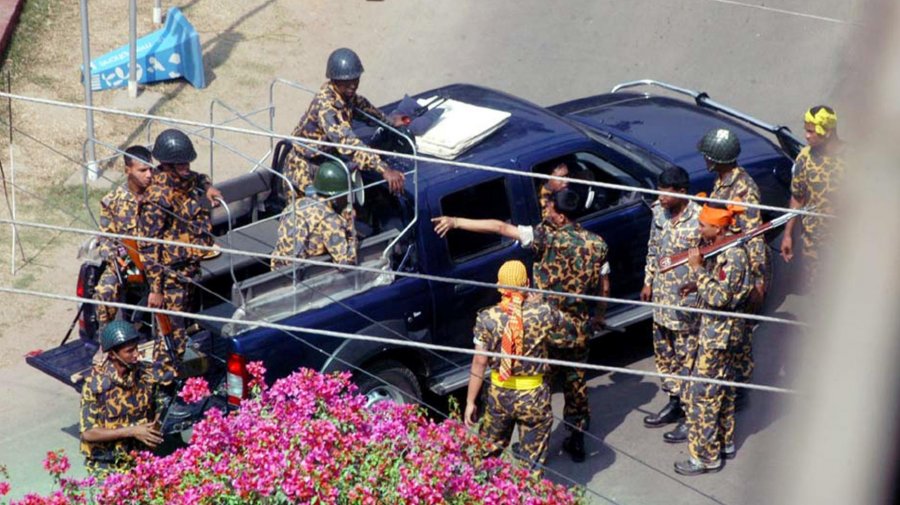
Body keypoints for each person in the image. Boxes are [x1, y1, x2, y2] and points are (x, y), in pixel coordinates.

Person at [433, 187, 608, 462]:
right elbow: (603, 282)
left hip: (542, 323)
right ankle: (577, 438)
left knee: (541, 382)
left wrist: (456, 222)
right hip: (576, 328)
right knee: (576, 383)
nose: (546, 212)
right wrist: (599, 313)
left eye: (551, 209)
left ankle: (535, 443)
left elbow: (500, 227)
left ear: (562, 217)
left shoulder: (544, 237)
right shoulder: (598, 244)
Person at [674, 202, 753, 475]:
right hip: (721, 335)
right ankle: (724, 442)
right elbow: (721, 287)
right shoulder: (724, 250)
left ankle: (705, 457)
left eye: (702, 225)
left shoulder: (733, 256)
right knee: (723, 390)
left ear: (718, 228)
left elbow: (720, 297)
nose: (698, 230)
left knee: (704, 396)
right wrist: (698, 283)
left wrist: (697, 270)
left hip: (718, 338)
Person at [465, 260, 564, 473]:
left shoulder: (486, 318)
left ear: (499, 285)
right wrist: (539, 301)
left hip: (499, 395)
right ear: (527, 283)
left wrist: (470, 401)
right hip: (534, 396)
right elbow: (565, 334)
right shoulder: (544, 313)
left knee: (486, 457)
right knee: (532, 464)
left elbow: (479, 362)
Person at [138, 129, 220, 360]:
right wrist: (156, 289)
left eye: (186, 163)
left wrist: (208, 187)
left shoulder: (184, 180)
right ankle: (166, 379)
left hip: (190, 267)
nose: (186, 168)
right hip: (171, 275)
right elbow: (150, 247)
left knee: (187, 324)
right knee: (172, 334)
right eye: (180, 164)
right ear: (167, 165)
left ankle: (186, 369)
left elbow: (200, 177)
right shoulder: (158, 198)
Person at [283, 48, 406, 197]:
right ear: (335, 80)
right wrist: (384, 169)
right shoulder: (327, 108)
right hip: (305, 170)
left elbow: (365, 109)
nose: (353, 85)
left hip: (325, 161)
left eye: (356, 79)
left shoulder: (344, 95)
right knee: (316, 214)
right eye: (347, 81)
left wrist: (389, 122)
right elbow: (348, 143)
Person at [698, 127, 764, 398]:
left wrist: (758, 278)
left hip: (739, 265)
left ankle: (741, 387)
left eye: (707, 155)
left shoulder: (743, 189)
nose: (705, 159)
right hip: (722, 258)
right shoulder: (723, 181)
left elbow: (753, 234)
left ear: (717, 159)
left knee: (740, 333)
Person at [640, 167, 702, 430]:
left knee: (688, 359)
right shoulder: (659, 213)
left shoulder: (699, 218)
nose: (661, 197)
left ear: (682, 192)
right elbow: (653, 249)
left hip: (685, 305)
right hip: (662, 303)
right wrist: (648, 281)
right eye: (660, 191)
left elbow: (708, 260)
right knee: (665, 357)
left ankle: (692, 414)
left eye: (667, 193)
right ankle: (675, 401)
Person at [80, 321, 175, 477]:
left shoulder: (146, 374)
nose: (136, 354)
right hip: (108, 466)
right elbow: (88, 433)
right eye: (129, 351)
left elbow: (161, 404)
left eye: (136, 349)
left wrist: (155, 425)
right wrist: (132, 431)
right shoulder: (95, 385)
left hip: (142, 459)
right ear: (112, 354)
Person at [780, 105, 845, 288]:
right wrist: (788, 235)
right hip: (814, 242)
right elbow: (797, 198)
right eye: (806, 130)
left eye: (811, 131)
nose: (806, 136)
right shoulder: (804, 158)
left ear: (828, 132)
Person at [94, 146, 154, 325]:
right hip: (129, 264)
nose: (149, 175)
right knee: (104, 291)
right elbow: (105, 239)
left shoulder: (160, 195)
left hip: (159, 262)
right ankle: (109, 340)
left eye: (151, 169)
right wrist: (120, 260)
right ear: (128, 170)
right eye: (142, 170)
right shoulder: (112, 201)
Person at [270, 161, 358, 269]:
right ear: (334, 197)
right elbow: (346, 264)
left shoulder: (296, 204)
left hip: (278, 268)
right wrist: (350, 226)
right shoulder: (330, 221)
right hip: (303, 275)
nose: (347, 199)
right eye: (344, 195)